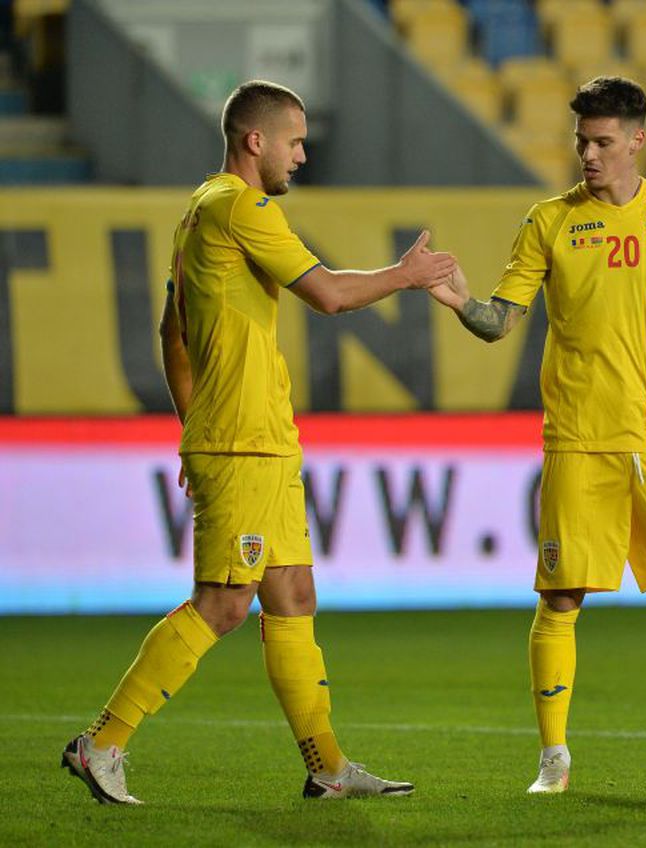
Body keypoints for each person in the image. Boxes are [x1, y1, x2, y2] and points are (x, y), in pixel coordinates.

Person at [61, 80, 457, 804]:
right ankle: (103, 742)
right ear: (255, 141)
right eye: (295, 141)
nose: (302, 155)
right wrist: (406, 275)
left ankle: (329, 769)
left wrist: (194, 426)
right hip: (241, 443)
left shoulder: (199, 212)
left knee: (293, 596)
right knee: (223, 602)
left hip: (260, 441)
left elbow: (170, 334)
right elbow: (330, 294)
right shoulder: (240, 207)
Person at [426, 76, 646, 794]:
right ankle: (553, 758)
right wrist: (460, 300)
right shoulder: (549, 221)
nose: (587, 154)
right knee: (561, 600)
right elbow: (501, 321)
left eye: (602, 142)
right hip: (580, 441)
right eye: (581, 140)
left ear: (637, 141)